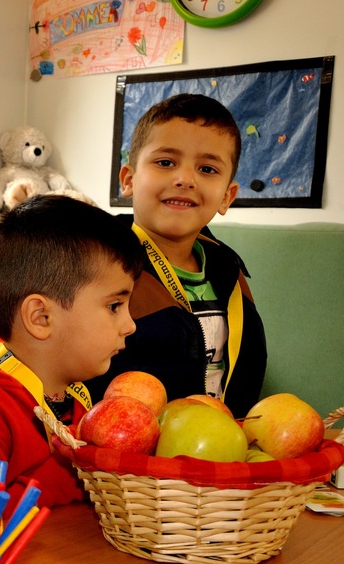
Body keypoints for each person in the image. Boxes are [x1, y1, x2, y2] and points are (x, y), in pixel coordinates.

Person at [85, 93, 267, 417]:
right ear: (128, 179)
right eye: (166, 162)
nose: (185, 179)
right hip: (124, 457)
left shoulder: (229, 272)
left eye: (207, 168)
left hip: (223, 448)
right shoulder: (96, 264)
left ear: (227, 197)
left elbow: (248, 370)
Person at [0, 195, 144, 507]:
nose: (130, 325)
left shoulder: (78, 398)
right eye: (114, 306)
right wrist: (73, 472)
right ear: (41, 318)